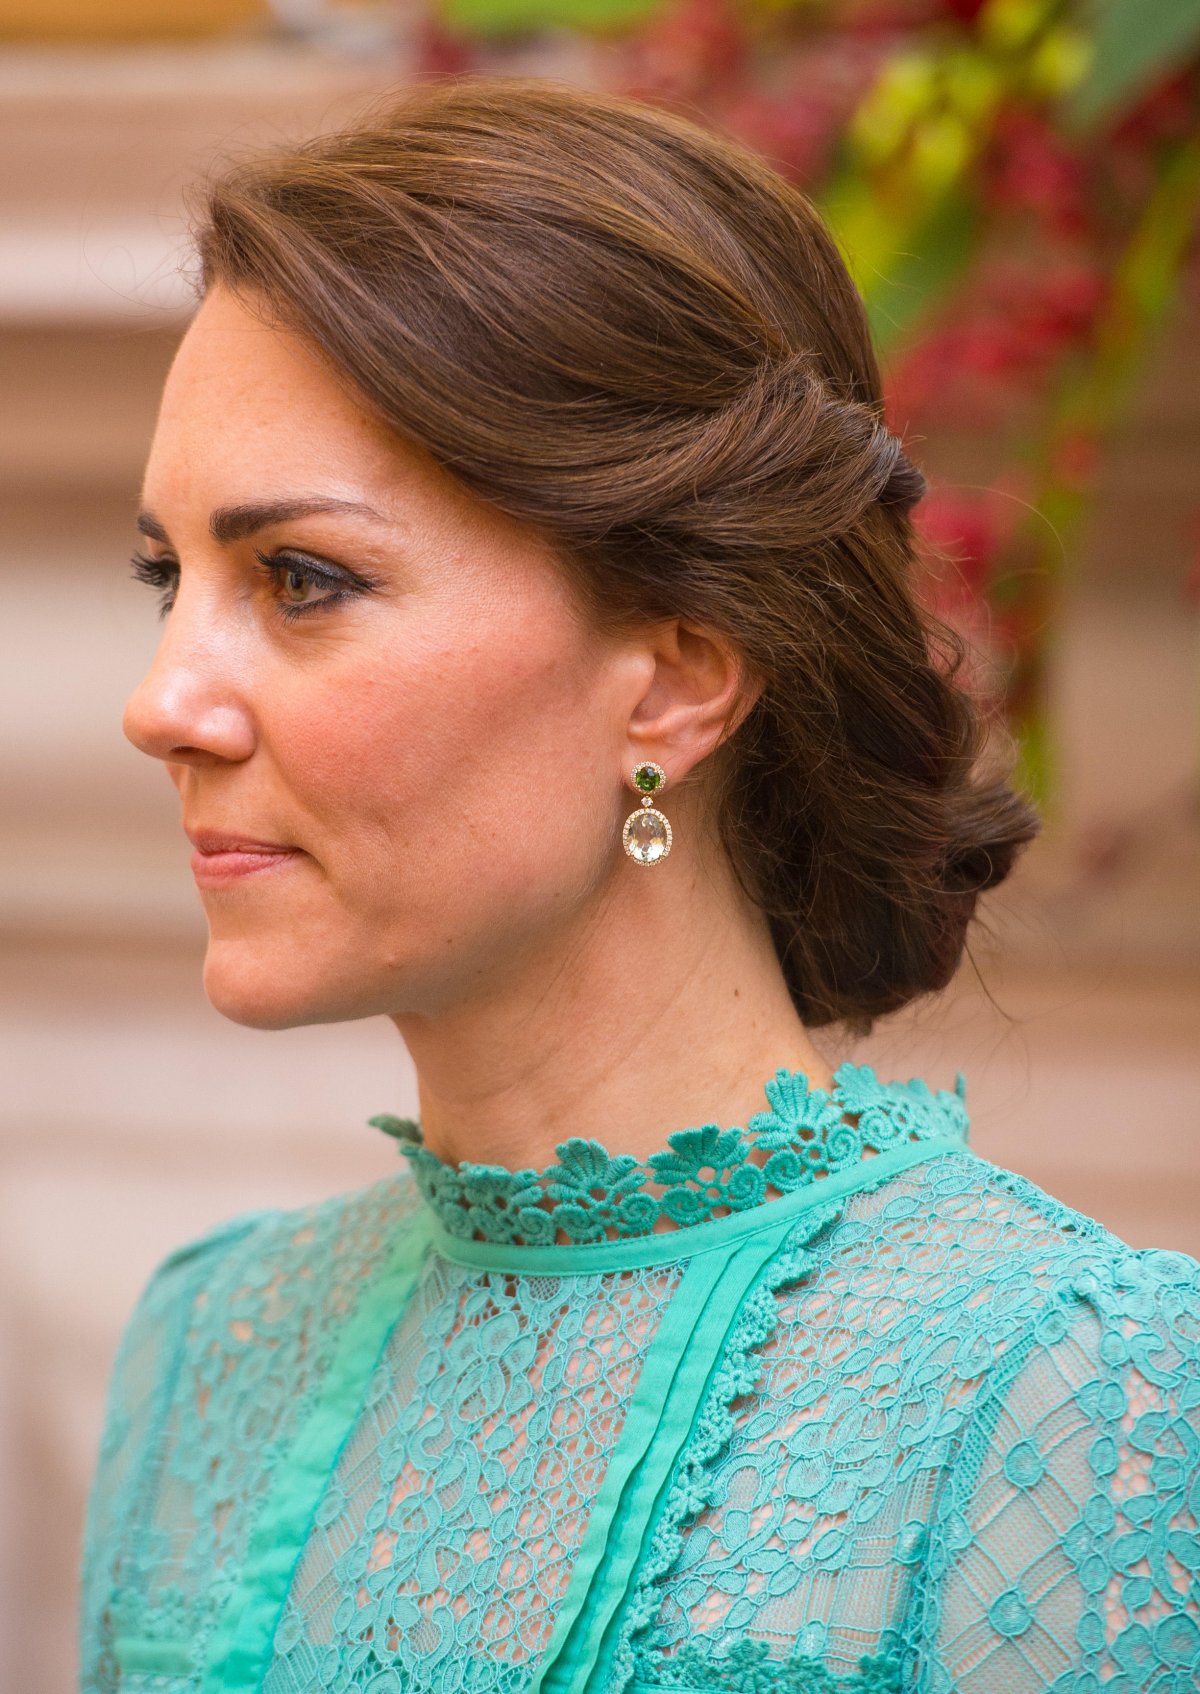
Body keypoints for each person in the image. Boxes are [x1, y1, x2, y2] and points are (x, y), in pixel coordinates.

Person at [78, 74, 1200, 1694]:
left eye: (301, 580)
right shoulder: (208, 1351)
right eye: (166, 577)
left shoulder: (1078, 1404)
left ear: (675, 678)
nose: (161, 700)